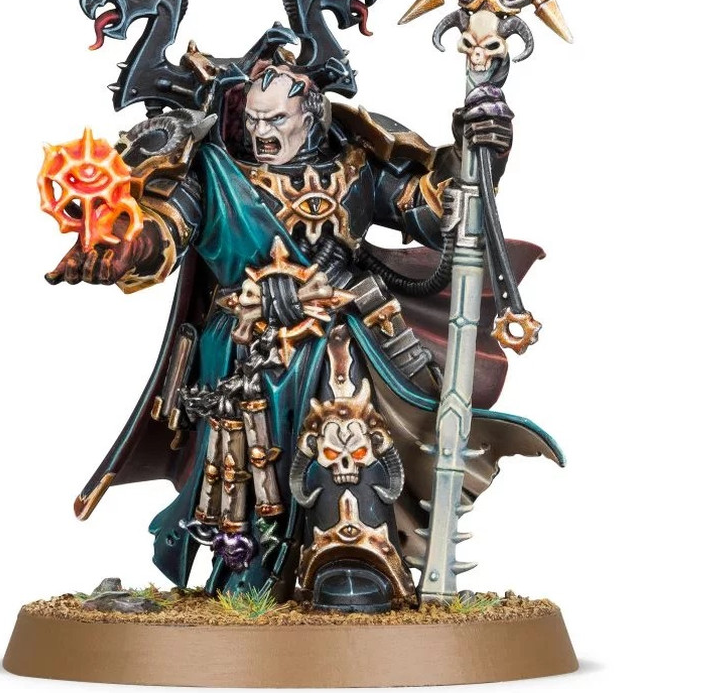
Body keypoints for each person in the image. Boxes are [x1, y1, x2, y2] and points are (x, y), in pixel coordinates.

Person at [47, 56, 554, 612]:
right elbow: (165, 230)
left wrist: (480, 151)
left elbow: (434, 211)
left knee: (345, 384)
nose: (261, 132)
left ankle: (354, 551)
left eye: (276, 119)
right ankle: (254, 566)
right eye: (253, 120)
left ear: (310, 117)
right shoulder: (217, 175)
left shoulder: (355, 166)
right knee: (258, 439)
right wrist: (126, 246)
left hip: (349, 328)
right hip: (248, 338)